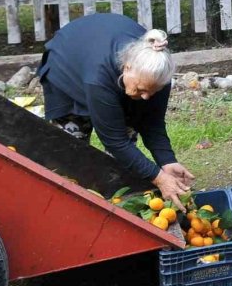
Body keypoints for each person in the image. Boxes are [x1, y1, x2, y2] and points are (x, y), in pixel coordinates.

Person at [37, 12, 194, 208]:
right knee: (71, 153)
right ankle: (67, 205)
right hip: (66, 67)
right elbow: (114, 140)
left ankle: (116, 202)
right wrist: (159, 178)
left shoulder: (158, 77)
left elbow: (152, 123)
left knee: (121, 164)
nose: (145, 97)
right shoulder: (99, 77)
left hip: (105, 67)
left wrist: (167, 161)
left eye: (151, 91)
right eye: (141, 89)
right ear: (127, 68)